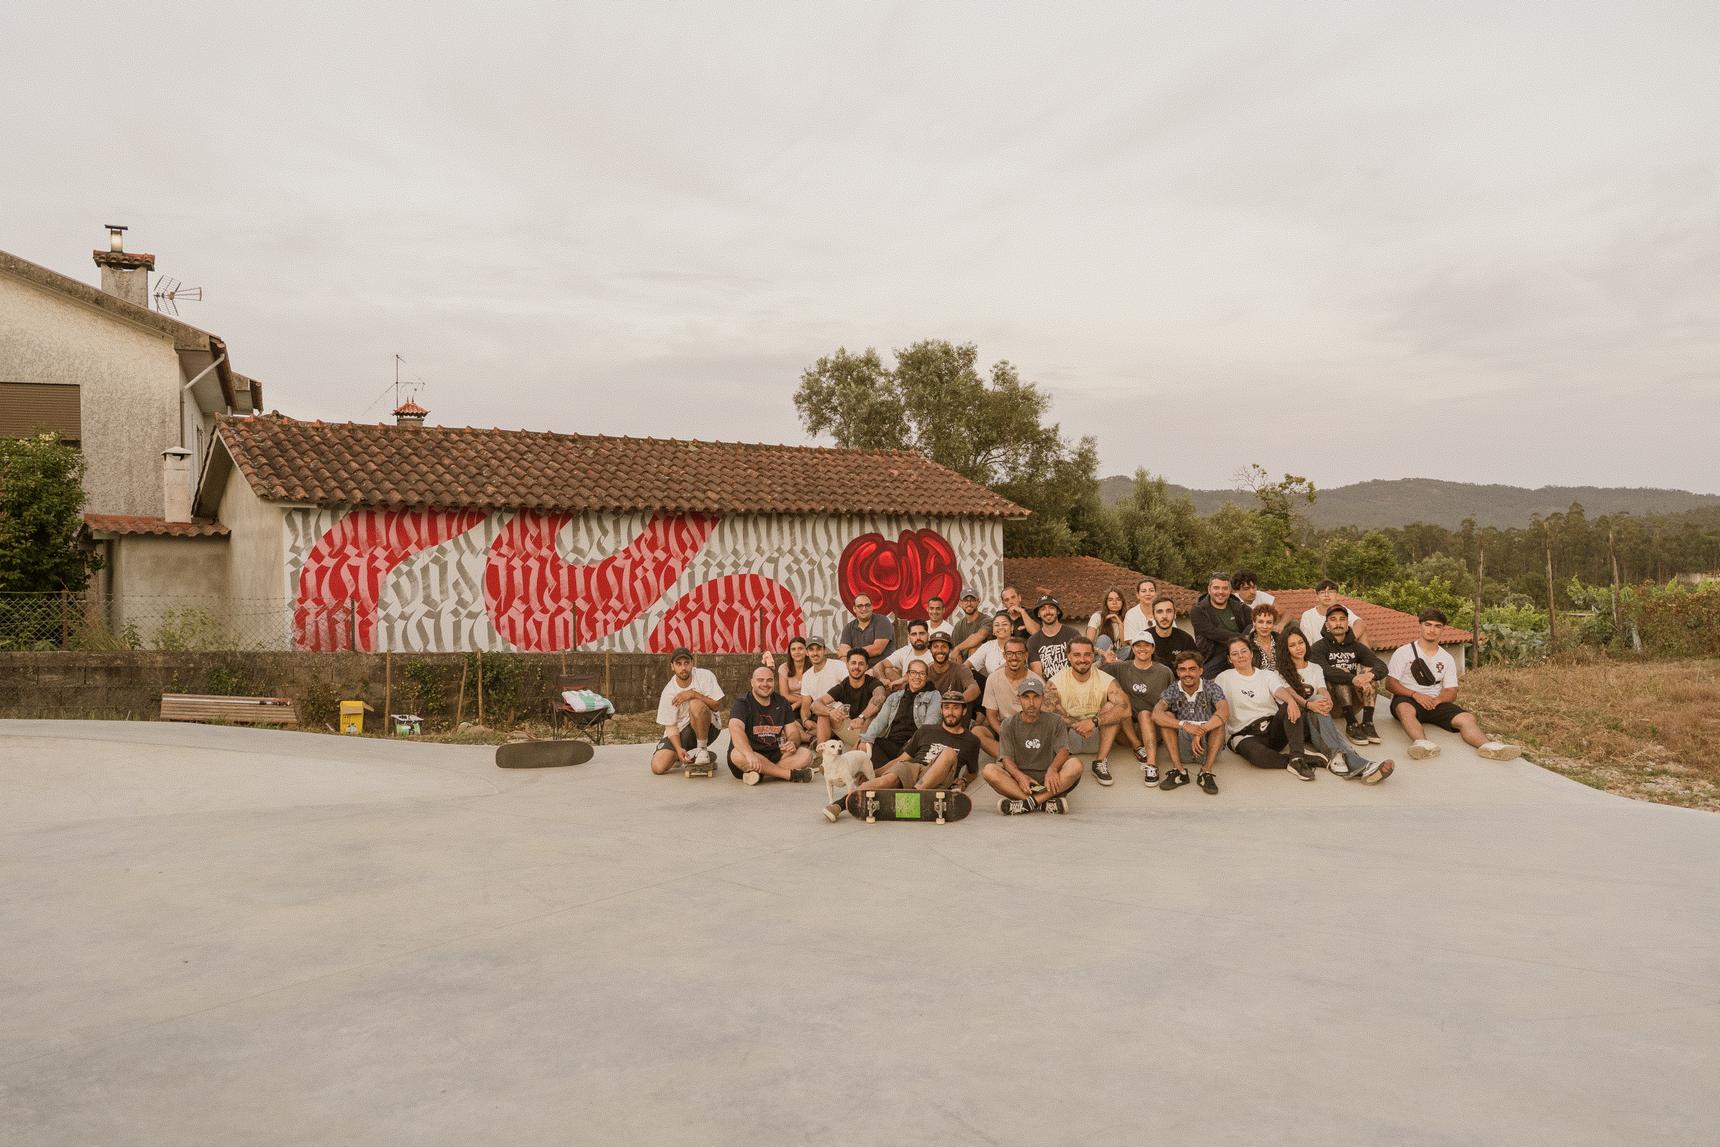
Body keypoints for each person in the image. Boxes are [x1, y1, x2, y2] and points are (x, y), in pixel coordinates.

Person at [1386, 609, 1522, 761]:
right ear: (1420, 626)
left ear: (1442, 629)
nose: (1432, 630)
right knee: (1404, 709)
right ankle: (1422, 744)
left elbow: (1451, 691)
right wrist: (1415, 695)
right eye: (1428, 625)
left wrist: (1437, 700)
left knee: (1467, 718)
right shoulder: (1404, 652)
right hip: (1408, 698)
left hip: (1434, 701)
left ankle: (1488, 747)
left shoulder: (1447, 658)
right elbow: (1390, 683)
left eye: (1437, 626)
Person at [828, 691, 979, 821]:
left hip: (940, 775)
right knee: (887, 780)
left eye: (956, 708)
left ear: (964, 711)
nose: (950, 712)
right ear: (941, 710)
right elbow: (901, 759)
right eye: (947, 707)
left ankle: (913, 794)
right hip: (914, 768)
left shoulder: (971, 740)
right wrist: (876, 774)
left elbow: (973, 772)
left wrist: (964, 780)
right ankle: (839, 805)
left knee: (949, 752)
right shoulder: (926, 730)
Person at [1278, 628, 1393, 783]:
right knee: (1317, 701)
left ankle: (1354, 763)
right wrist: (1311, 704)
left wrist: (1328, 701)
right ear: (1286, 649)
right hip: (1296, 724)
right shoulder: (1281, 671)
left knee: (1320, 699)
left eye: (1300, 642)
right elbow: (1291, 694)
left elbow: (1322, 689)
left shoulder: (1315, 667)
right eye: (1292, 645)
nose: (1298, 647)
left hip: (1317, 718)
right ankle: (1347, 758)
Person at [1214, 635, 1324, 780]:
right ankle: (1296, 758)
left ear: (1251, 653)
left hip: (1273, 730)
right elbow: (1212, 699)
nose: (1241, 656)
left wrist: (1291, 701)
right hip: (1245, 735)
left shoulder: (1266, 675)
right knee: (1257, 756)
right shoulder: (1223, 678)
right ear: (1229, 659)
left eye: (1244, 651)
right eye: (1235, 654)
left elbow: (1278, 690)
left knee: (1289, 706)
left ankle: (1297, 758)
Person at [982, 675, 1081, 814]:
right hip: (1020, 783)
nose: (1031, 703)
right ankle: (1042, 803)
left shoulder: (1055, 721)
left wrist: (1052, 769)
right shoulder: (1008, 724)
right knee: (989, 770)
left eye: (1036, 697)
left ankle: (1027, 804)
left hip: (1049, 780)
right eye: (1026, 697)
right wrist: (1019, 776)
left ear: (1043, 698)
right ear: (1019, 699)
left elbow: (1063, 750)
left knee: (1075, 765)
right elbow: (1006, 758)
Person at [1045, 635, 1130, 786]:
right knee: (1053, 709)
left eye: (1087, 655)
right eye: (1077, 655)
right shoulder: (1056, 681)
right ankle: (1057, 764)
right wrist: (1077, 725)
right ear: (1068, 657)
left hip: (1096, 735)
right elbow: (1046, 711)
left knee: (1113, 707)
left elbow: (1126, 710)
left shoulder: (1106, 679)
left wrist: (1093, 722)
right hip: (1068, 739)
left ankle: (1100, 762)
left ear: (1093, 656)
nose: (1082, 659)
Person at [1309, 606, 1388, 745]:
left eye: (1342, 619)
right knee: (1341, 677)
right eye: (1333, 619)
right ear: (1327, 625)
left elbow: (1381, 666)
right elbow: (1325, 670)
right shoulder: (1318, 647)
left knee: (1370, 675)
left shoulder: (1356, 646)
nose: (1338, 623)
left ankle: (1367, 723)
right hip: (1331, 704)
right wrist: (1352, 678)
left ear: (1347, 624)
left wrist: (1368, 676)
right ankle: (1351, 724)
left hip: (1355, 702)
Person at [1151, 650, 1227, 793]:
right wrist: (1184, 725)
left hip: (1207, 745)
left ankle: (1206, 772)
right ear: (1178, 672)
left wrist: (1201, 730)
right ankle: (1179, 771)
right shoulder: (1173, 688)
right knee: (1166, 716)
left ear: (1201, 671)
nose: (1187, 674)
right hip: (1182, 746)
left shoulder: (1211, 687)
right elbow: (1156, 714)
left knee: (1219, 722)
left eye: (1192, 669)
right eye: (1183, 669)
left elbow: (1224, 711)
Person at [727, 665, 815, 784]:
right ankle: (788, 775)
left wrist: (793, 743)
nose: (765, 684)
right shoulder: (742, 703)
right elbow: (736, 730)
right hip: (750, 754)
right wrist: (749, 754)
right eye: (760, 680)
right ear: (752, 682)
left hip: (775, 754)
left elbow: (793, 732)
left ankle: (758, 775)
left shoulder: (782, 702)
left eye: (769, 680)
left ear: (774, 682)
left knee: (806, 755)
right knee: (737, 754)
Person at [1109, 631, 1174, 785]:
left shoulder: (1164, 671)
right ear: (1132, 648)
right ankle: (1137, 747)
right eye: (1138, 645)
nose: (1142, 649)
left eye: (1146, 645)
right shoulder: (1120, 667)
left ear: (1153, 648)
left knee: (1145, 714)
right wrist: (1103, 661)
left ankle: (1151, 764)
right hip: (1127, 731)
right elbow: (1090, 672)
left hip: (1153, 729)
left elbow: (1172, 700)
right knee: (1119, 703)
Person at [649, 647, 724, 775]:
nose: (683, 668)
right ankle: (680, 756)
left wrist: (694, 694)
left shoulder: (705, 676)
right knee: (658, 767)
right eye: (678, 664)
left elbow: (716, 705)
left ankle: (702, 750)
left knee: (696, 704)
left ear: (692, 663)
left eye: (686, 663)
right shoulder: (668, 692)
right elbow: (671, 727)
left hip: (709, 727)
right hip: (682, 730)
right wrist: (678, 749)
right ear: (672, 666)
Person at [859, 659, 941, 766]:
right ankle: (887, 775)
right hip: (893, 743)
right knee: (872, 745)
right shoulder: (894, 697)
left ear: (926, 677)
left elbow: (931, 722)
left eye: (922, 674)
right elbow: (880, 721)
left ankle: (886, 775)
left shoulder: (934, 695)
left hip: (914, 744)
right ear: (907, 675)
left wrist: (912, 743)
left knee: (905, 757)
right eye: (913, 673)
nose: (917, 677)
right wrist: (866, 739)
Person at [811, 649, 885, 747]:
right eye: (853, 663)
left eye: (861, 664)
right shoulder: (843, 686)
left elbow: (880, 696)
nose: (856, 667)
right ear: (847, 665)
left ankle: (858, 746)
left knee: (872, 715)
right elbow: (815, 704)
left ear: (867, 666)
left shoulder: (872, 682)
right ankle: (822, 754)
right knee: (823, 714)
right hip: (853, 729)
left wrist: (862, 717)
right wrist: (830, 711)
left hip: (872, 733)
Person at [1191, 572, 1253, 679]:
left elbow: (1254, 623)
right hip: (1213, 655)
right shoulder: (1198, 611)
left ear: (1230, 591)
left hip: (1240, 652)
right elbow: (1212, 632)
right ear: (1209, 589)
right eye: (1216, 588)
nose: (1220, 592)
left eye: (1225, 588)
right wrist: (1242, 638)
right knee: (1205, 680)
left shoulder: (1241, 608)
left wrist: (1244, 641)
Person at [982, 636, 1033, 736]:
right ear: (1004, 655)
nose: (1014, 658)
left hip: (1028, 728)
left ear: (1026, 655)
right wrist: (1004, 734)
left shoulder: (1035, 681)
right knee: (978, 731)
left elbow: (1039, 716)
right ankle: (1006, 751)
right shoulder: (993, 678)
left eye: (1019, 653)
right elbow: (991, 714)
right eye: (1009, 653)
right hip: (1004, 727)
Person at [838, 593, 896, 674]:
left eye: (867, 605)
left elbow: (877, 649)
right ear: (854, 609)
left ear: (872, 607)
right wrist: (848, 672)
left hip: (881, 669)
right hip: (857, 671)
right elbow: (842, 654)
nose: (864, 608)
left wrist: (850, 652)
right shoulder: (848, 628)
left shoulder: (882, 621)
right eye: (860, 606)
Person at [1299, 580, 1366, 646]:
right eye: (1322, 592)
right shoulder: (1307, 616)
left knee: (1363, 633)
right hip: (1319, 652)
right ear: (1317, 597)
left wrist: (1345, 642)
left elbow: (1360, 624)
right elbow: (1307, 644)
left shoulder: (1342, 610)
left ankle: (1369, 657)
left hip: (1342, 650)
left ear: (1337, 596)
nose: (1326, 595)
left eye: (1330, 592)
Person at [1026, 596, 1077, 679]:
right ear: (1038, 614)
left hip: (1071, 685)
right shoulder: (1033, 641)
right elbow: (1037, 675)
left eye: (1051, 608)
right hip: (1047, 688)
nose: (1047, 612)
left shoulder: (1072, 634)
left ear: (1058, 611)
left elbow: (1078, 664)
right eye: (1043, 609)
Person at [797, 636, 846, 722]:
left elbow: (852, 691)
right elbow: (805, 706)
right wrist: (805, 721)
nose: (815, 653)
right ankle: (811, 733)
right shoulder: (806, 676)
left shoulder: (838, 666)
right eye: (811, 649)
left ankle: (813, 733)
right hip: (820, 715)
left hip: (839, 714)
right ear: (806, 652)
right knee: (792, 724)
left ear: (825, 650)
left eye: (818, 649)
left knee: (822, 719)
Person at [1146, 595, 1198, 669]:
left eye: (1169, 611)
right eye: (1159, 612)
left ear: (1175, 615)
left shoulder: (1186, 639)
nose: (1164, 616)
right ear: (1153, 616)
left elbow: (1195, 667)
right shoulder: (1144, 639)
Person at [879, 618, 932, 686]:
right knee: (887, 671)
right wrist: (882, 679)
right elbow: (880, 664)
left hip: (926, 692)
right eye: (914, 634)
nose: (918, 638)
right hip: (905, 690)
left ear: (928, 635)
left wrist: (900, 680)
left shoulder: (933, 653)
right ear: (909, 637)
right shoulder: (905, 651)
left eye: (922, 633)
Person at [965, 612, 1016, 679]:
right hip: (993, 685)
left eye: (1004, 624)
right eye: (997, 625)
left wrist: (992, 677)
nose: (1000, 627)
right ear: (993, 630)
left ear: (1012, 628)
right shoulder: (988, 646)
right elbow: (967, 665)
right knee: (970, 674)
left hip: (1015, 684)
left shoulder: (1019, 645)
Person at [1086, 587, 1128, 664]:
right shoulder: (1098, 616)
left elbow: (1124, 644)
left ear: (1122, 602)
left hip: (1115, 654)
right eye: (1110, 600)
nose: (1114, 602)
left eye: (1118, 599)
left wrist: (1120, 624)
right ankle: (1103, 666)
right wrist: (1101, 652)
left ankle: (1113, 665)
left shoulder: (1126, 618)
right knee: (1103, 638)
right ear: (1106, 603)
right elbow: (1087, 643)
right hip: (1098, 653)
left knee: (1129, 649)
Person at [776, 635, 813, 720]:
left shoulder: (813, 667)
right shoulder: (784, 668)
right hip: (791, 704)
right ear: (790, 652)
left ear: (806, 651)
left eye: (800, 648)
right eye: (793, 649)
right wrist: (801, 701)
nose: (797, 652)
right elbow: (784, 695)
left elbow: (815, 694)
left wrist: (799, 703)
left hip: (810, 704)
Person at [949, 588, 992, 658]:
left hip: (983, 664)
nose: (969, 603)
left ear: (978, 601)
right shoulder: (959, 625)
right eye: (965, 600)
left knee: (974, 649)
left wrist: (958, 648)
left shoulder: (987, 620)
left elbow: (981, 635)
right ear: (960, 603)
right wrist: (957, 653)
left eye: (972, 600)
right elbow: (953, 648)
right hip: (963, 665)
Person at [1246, 602, 1283, 673]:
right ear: (1254, 622)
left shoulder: (1282, 641)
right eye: (1260, 622)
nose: (1264, 626)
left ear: (1273, 624)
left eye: (1269, 622)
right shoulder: (1246, 644)